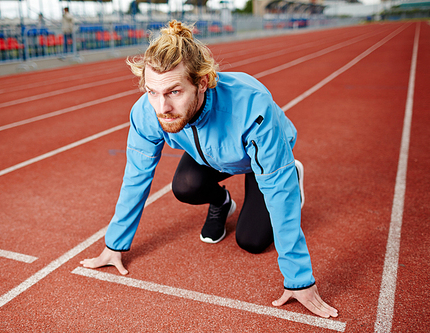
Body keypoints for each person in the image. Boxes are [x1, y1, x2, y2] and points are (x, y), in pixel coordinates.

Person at [81, 20, 338, 319]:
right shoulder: (148, 111)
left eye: (174, 92)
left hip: (260, 159)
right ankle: (222, 203)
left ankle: (292, 171)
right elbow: (136, 175)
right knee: (186, 186)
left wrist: (299, 280)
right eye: (152, 92)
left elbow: (278, 192)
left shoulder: (251, 107)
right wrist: (114, 245)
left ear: (202, 82)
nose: (162, 107)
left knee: (252, 241)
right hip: (209, 156)